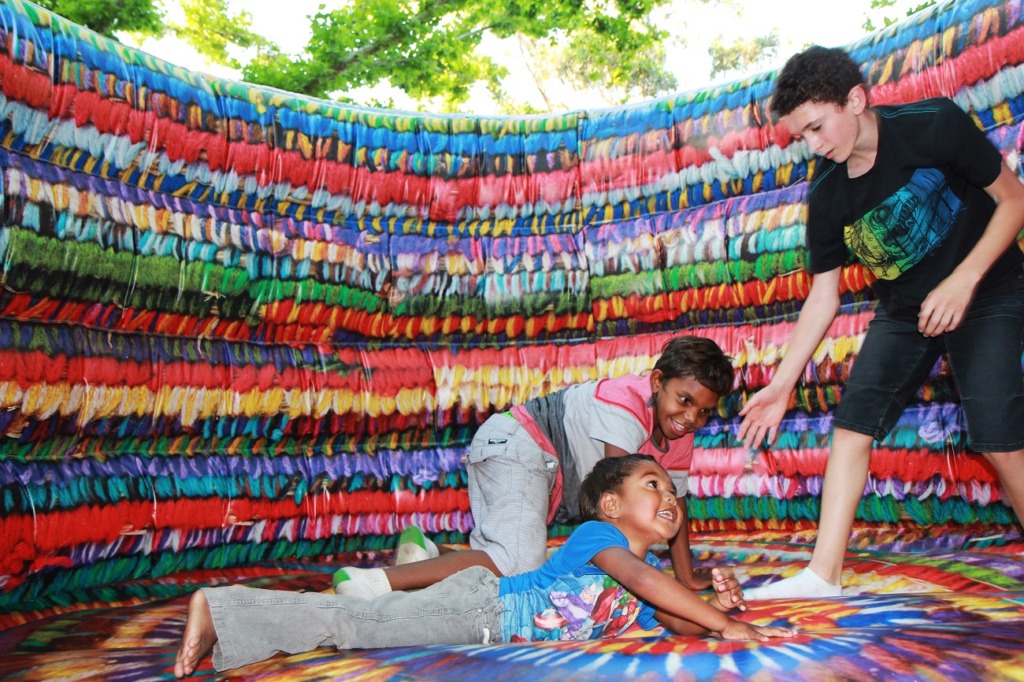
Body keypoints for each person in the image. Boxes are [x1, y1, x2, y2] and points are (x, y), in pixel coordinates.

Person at [738, 46, 1024, 599]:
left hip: (988, 286)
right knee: (852, 427)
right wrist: (780, 385)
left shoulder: (933, 124)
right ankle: (824, 575)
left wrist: (962, 281)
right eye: (802, 138)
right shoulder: (826, 193)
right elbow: (824, 297)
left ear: (856, 100)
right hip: (906, 308)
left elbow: (1013, 201)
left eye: (818, 128)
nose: (815, 146)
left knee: (999, 440)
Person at [174, 455, 796, 676]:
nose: (671, 498)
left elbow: (673, 619)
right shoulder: (596, 539)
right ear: (611, 504)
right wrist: (723, 625)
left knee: (365, 625)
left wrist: (718, 610)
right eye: (654, 485)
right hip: (482, 606)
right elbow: (643, 581)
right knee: (360, 625)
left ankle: (229, 613)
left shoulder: (648, 576)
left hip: (487, 622)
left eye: (674, 492)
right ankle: (224, 607)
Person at [334, 335, 735, 601]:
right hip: (518, 445)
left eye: (703, 412)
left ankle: (431, 553)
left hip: (545, 470)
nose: (690, 418)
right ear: (656, 381)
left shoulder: (681, 438)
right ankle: (376, 582)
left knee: (517, 561)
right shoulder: (625, 403)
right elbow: (621, 497)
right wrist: (644, 579)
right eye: (683, 401)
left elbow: (675, 503)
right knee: (519, 565)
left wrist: (685, 576)